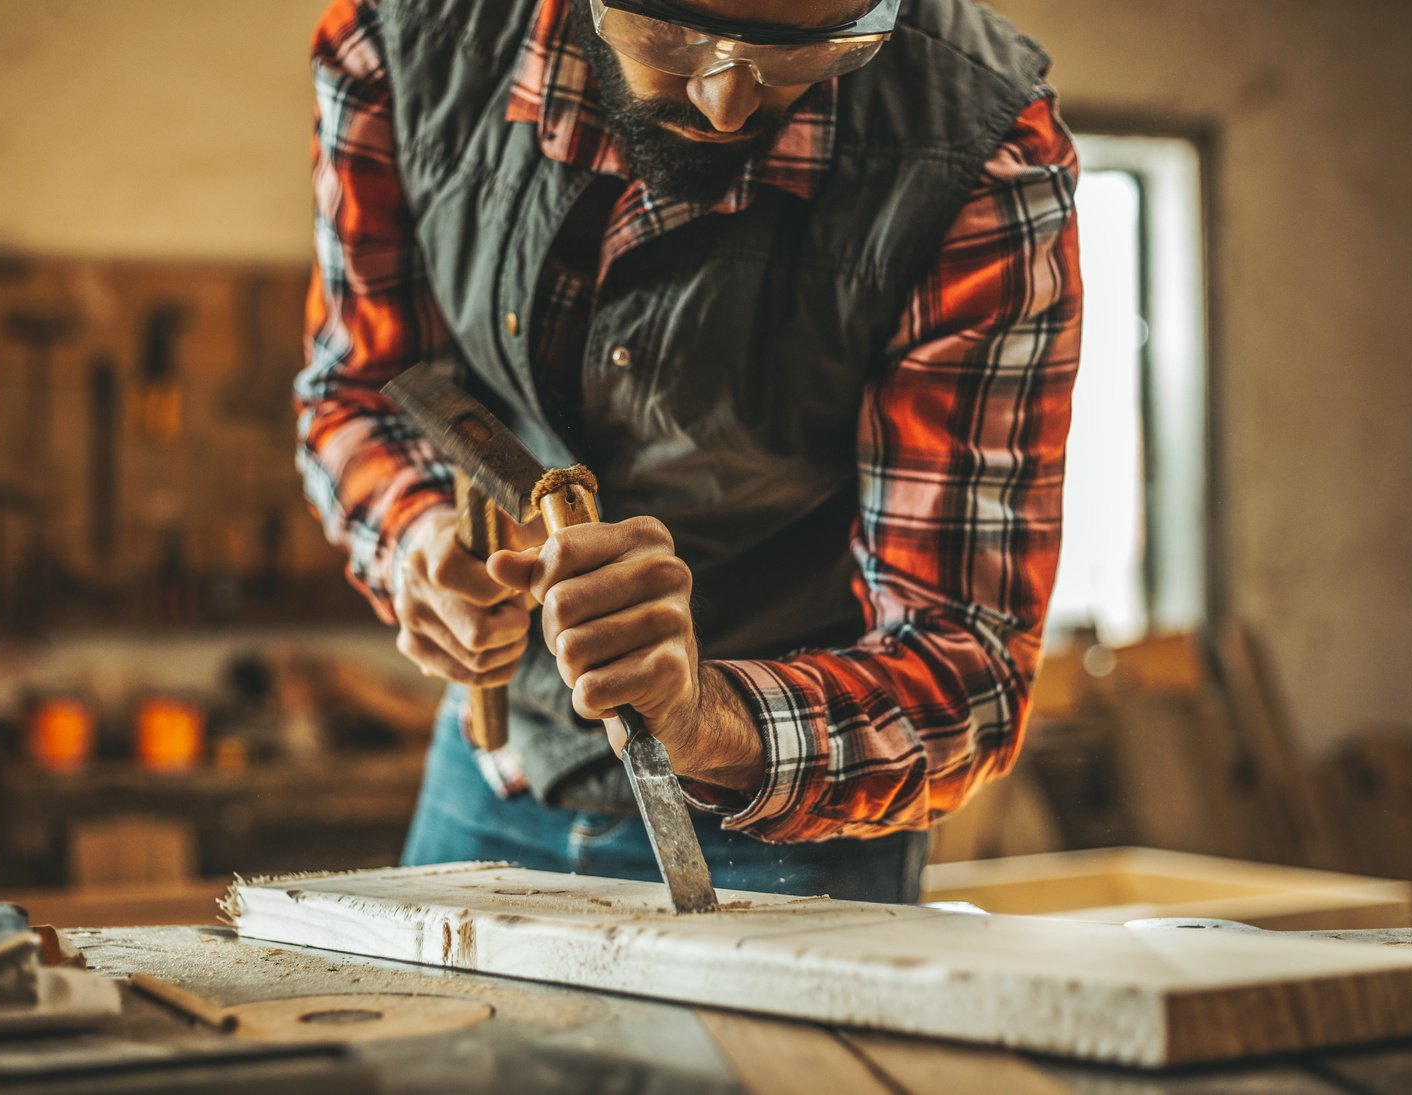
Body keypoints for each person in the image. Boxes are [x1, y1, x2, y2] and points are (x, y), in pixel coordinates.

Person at [296, 0, 1082, 903]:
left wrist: (712, 717)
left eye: (807, 52)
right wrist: (416, 540)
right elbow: (356, 395)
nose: (726, 104)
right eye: (672, 35)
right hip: (497, 774)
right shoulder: (402, 36)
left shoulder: (982, 154)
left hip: (793, 828)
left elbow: (963, 665)